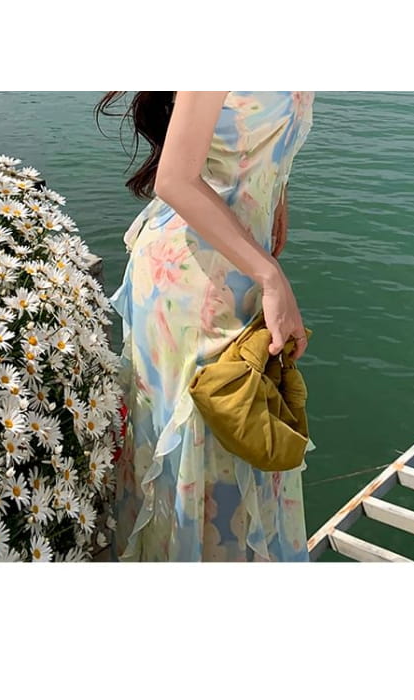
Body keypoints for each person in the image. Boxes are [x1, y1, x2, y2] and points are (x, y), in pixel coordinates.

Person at [96, 91, 317, 562]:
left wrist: (277, 198)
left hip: (240, 265)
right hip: (191, 284)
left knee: (238, 437)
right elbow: (175, 179)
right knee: (206, 448)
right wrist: (270, 274)